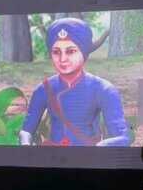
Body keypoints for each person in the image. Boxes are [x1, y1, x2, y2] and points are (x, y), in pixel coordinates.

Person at [19, 18, 130, 147]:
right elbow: (26, 130)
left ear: (84, 52)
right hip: (53, 156)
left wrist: (99, 149)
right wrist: (25, 144)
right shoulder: (43, 89)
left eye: (71, 51)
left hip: (89, 156)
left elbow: (122, 137)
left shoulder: (103, 89)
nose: (62, 59)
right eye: (56, 52)